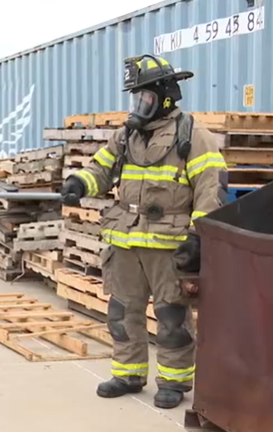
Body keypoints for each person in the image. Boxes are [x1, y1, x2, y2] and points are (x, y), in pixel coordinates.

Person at [60, 54, 227, 409]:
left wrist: (199, 238)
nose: (139, 104)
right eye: (136, 97)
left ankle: (174, 382)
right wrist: (78, 182)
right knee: (122, 313)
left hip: (169, 246)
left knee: (171, 316)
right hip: (124, 242)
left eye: (145, 97)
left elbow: (210, 190)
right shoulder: (126, 136)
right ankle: (128, 373)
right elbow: (100, 170)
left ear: (165, 96)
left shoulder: (194, 137)